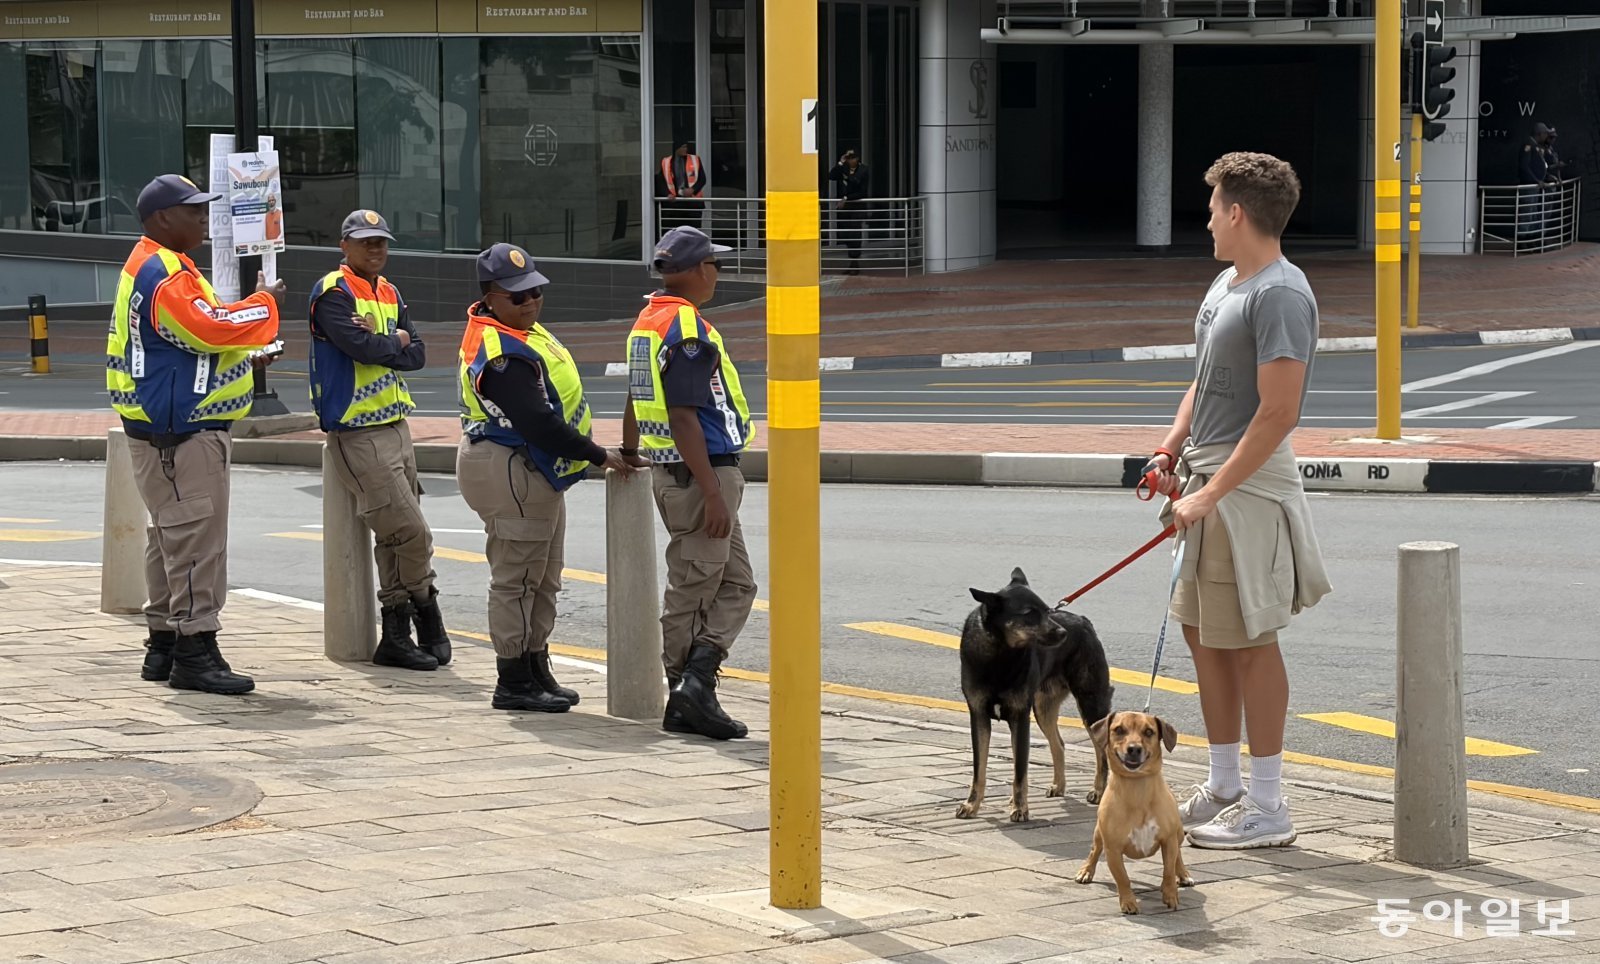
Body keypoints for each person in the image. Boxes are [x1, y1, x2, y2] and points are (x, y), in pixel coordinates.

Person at [1141, 152, 1332, 850]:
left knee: (1250, 641)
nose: (1208, 220)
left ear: (1238, 213)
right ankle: (1224, 785)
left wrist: (1213, 493)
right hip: (1203, 478)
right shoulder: (1227, 283)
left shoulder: (1281, 294)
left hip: (1243, 488)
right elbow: (1205, 381)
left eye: (1214, 206)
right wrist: (1168, 452)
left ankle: (1270, 804)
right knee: (1203, 634)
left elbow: (1278, 412)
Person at [106, 173, 286, 695]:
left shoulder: (154, 264)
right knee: (195, 543)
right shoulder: (163, 271)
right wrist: (266, 304)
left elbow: (187, 342)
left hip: (163, 425)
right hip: (182, 430)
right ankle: (194, 649)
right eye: (194, 211)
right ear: (163, 219)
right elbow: (210, 327)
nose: (204, 219)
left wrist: (247, 351)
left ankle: (163, 644)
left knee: (170, 538)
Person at [456, 243, 634, 712]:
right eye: (518, 296)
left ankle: (536, 667)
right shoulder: (501, 353)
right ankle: (512, 679)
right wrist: (599, 455)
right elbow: (536, 419)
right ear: (490, 295)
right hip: (513, 465)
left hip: (537, 470)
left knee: (544, 576)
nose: (530, 302)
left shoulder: (519, 329)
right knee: (516, 578)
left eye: (535, 291)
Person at [621, 226, 757, 741]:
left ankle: (696, 683)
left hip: (678, 471)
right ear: (699, 269)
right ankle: (685, 692)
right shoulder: (685, 327)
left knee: (738, 582)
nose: (717, 274)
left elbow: (637, 395)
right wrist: (715, 493)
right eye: (715, 265)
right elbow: (682, 414)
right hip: (701, 474)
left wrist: (632, 448)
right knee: (694, 587)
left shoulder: (648, 321)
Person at [309, 209, 445, 672]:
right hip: (356, 427)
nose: (376, 249)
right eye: (366, 242)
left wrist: (390, 338)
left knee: (393, 535)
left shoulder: (389, 291)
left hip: (395, 424)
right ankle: (425, 610)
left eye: (382, 241)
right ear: (344, 246)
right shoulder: (333, 291)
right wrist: (397, 339)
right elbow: (359, 348)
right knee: (412, 532)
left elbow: (420, 355)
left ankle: (396, 636)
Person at [827, 149, 871, 272]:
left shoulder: (863, 169)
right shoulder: (844, 168)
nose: (850, 160)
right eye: (848, 158)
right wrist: (840, 163)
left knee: (855, 235)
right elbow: (831, 176)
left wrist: (846, 198)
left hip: (856, 207)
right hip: (845, 209)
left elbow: (860, 188)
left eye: (852, 158)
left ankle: (855, 262)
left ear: (857, 159)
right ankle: (851, 262)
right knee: (845, 234)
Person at [658, 141, 707, 233]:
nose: (686, 149)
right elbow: (661, 182)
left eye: (686, 147)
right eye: (683, 147)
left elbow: (702, 179)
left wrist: (692, 189)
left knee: (693, 232)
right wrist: (667, 194)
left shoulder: (695, 159)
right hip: (675, 204)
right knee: (676, 232)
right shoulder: (666, 161)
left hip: (693, 203)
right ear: (676, 149)